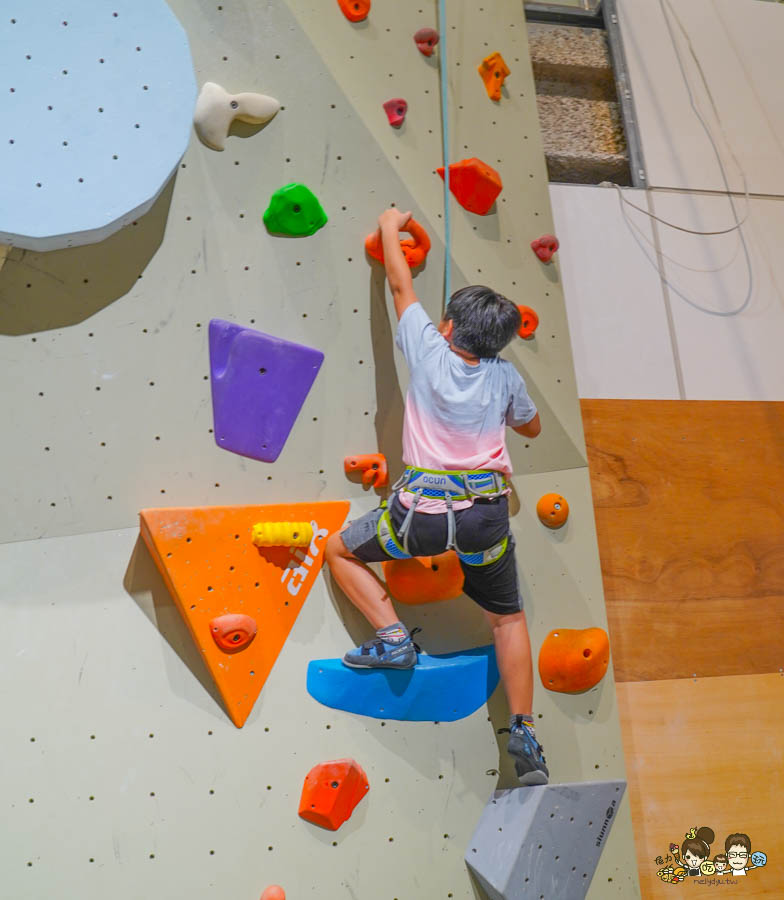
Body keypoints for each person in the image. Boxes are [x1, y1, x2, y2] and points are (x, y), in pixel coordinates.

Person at [324, 207, 547, 785]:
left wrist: (389, 221)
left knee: (340, 551)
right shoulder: (504, 376)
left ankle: (394, 637)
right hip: (483, 521)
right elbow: (532, 429)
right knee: (508, 620)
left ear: (447, 327)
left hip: (418, 518)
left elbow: (400, 281)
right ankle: (523, 731)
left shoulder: (427, 349)